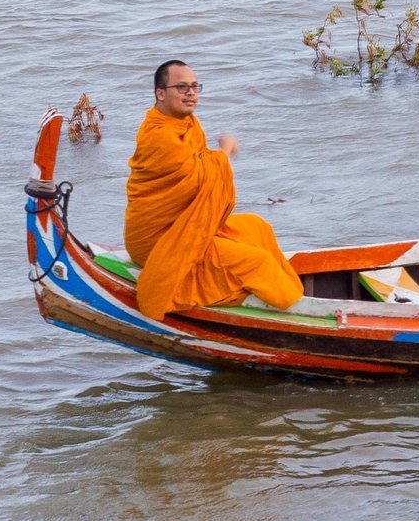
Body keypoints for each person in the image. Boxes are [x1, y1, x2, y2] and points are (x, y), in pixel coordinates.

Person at [123, 60, 303, 323]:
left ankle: (262, 287)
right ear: (161, 94)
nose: (191, 93)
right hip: (158, 240)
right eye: (182, 87)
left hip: (183, 225)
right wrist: (226, 151)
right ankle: (291, 307)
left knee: (256, 226)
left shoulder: (186, 124)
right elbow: (201, 177)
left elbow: (199, 167)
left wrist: (218, 156)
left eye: (195, 87)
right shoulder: (160, 136)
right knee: (258, 262)